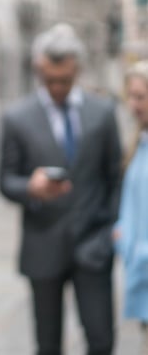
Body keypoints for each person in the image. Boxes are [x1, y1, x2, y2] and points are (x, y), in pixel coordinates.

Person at [0, 23, 121, 355]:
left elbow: (114, 177)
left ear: (76, 69)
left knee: (101, 340)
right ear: (39, 70)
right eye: (49, 80)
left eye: (64, 81)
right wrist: (31, 188)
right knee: (47, 344)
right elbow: (5, 180)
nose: (57, 88)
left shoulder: (103, 112)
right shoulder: (17, 117)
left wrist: (108, 230)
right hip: (43, 246)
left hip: (92, 247)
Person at [114, 60, 148, 352]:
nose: (133, 104)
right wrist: (122, 231)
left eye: (141, 96)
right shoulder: (138, 142)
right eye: (130, 96)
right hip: (141, 273)